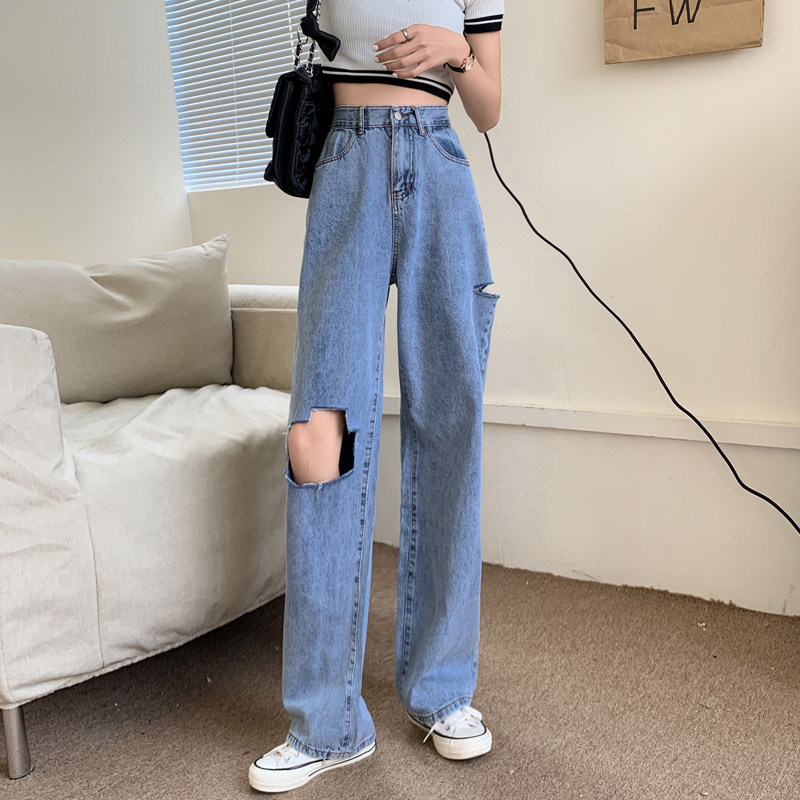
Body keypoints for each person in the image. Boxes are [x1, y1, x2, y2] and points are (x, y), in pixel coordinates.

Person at [249, 0, 504, 793]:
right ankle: (325, 722)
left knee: (450, 425)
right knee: (321, 436)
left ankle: (442, 691)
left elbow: (490, 108)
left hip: (439, 167)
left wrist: (456, 52)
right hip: (346, 166)